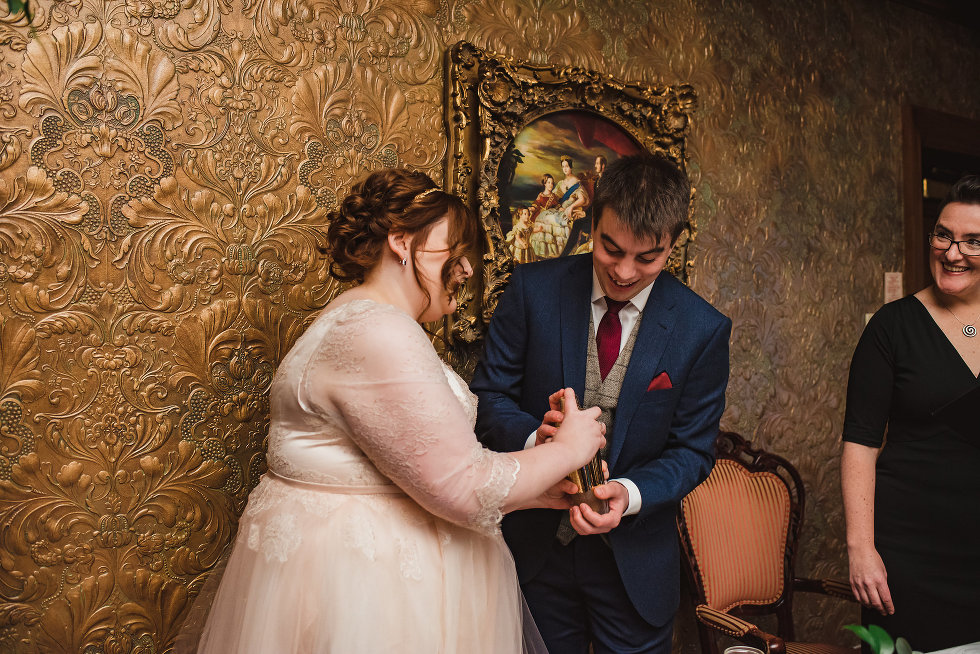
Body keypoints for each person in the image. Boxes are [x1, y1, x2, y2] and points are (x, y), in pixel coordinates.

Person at [180, 168, 606, 654]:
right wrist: (574, 445)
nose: (467, 270)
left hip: (381, 581)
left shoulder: (366, 321)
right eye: (457, 251)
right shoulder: (375, 331)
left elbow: (416, 475)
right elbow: (463, 486)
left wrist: (537, 487)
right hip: (369, 596)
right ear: (402, 242)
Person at [471, 153, 731, 654]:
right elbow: (488, 396)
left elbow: (693, 453)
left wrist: (630, 494)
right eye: (610, 249)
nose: (625, 271)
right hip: (533, 557)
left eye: (647, 257)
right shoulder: (533, 290)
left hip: (635, 568)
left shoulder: (703, 329)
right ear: (593, 222)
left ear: (672, 244)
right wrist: (539, 444)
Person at [842, 174, 980, 650]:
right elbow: (859, 443)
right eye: (943, 235)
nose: (952, 251)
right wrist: (861, 549)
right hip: (911, 556)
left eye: (972, 241)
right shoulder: (891, 328)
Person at [528, 173, 567, 258]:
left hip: (550, 215)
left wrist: (563, 209)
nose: (551, 185)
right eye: (549, 182)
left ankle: (549, 251)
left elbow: (557, 206)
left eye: (552, 183)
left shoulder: (553, 196)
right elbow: (536, 204)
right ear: (544, 183)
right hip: (540, 215)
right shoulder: (541, 195)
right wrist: (532, 208)